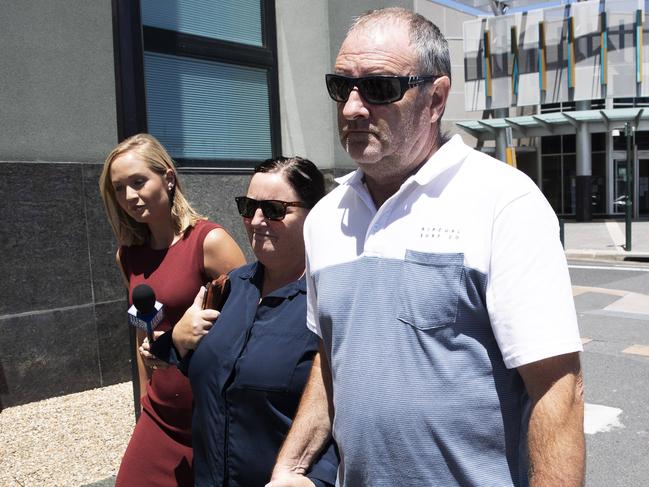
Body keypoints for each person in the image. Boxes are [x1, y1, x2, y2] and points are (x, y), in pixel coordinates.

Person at [267, 8, 584, 487]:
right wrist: (289, 467)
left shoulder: (504, 201)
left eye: (378, 87)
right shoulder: (326, 219)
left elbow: (558, 392)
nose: (352, 107)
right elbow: (333, 357)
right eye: (342, 86)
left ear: (436, 98)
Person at [154, 157, 339, 487]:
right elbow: (207, 373)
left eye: (273, 210)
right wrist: (173, 343)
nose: (255, 220)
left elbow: (350, 411)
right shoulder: (227, 289)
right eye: (248, 206)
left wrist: (315, 480)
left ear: (313, 215)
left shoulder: (329, 301)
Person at [99, 133, 246, 487]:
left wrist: (186, 337)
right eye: (119, 189)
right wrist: (144, 401)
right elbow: (141, 330)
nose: (129, 197)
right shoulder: (128, 255)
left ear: (167, 177)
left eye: (138, 182)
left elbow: (253, 322)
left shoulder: (209, 242)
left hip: (211, 412)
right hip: (159, 413)